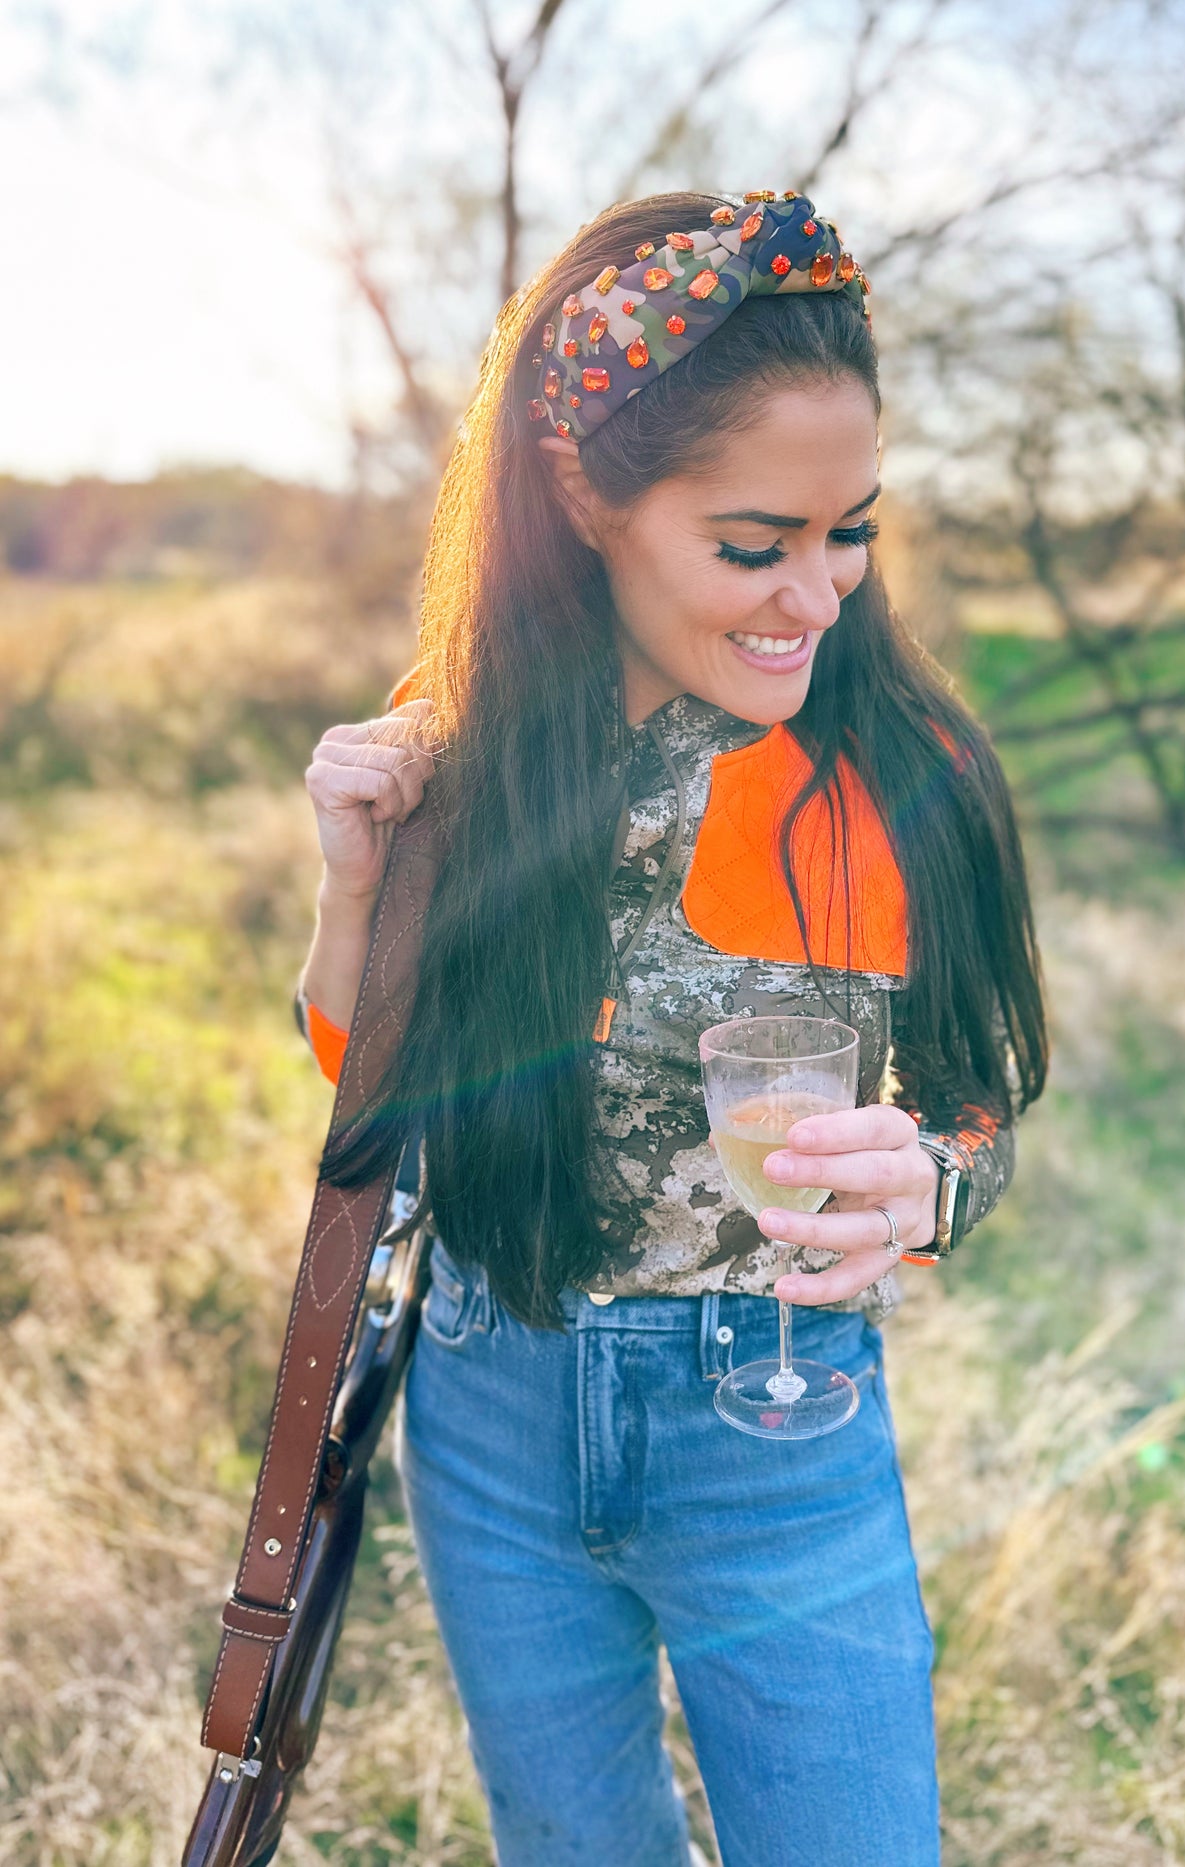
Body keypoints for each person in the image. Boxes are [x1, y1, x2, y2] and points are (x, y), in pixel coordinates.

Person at [295, 189, 1048, 1867]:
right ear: (585, 502)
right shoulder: (465, 752)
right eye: (753, 543)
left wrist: (925, 1185)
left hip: (777, 1431)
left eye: (850, 528)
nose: (816, 595)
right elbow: (370, 1087)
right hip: (488, 1413)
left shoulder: (907, 780)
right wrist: (357, 887)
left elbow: (985, 1106)